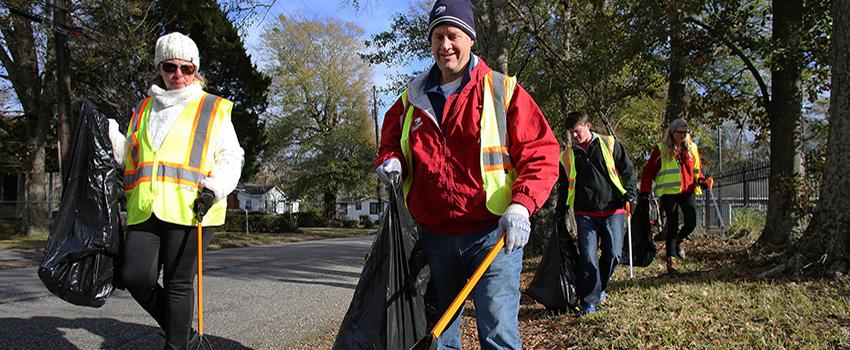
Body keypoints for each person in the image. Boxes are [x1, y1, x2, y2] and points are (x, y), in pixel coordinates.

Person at [374, 0, 560, 348]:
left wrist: (521, 205)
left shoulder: (502, 91)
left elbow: (541, 152)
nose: (445, 45)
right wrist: (390, 161)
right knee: (441, 338)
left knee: (498, 333)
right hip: (434, 239)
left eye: (453, 35)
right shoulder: (411, 98)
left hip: (492, 236)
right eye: (438, 36)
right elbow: (389, 142)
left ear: (470, 39)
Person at [106, 32, 244, 350]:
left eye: (186, 68)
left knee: (179, 283)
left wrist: (213, 190)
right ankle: (182, 333)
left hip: (194, 208)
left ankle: (177, 344)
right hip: (146, 208)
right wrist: (111, 136)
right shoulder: (143, 109)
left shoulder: (212, 109)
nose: (178, 75)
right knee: (135, 277)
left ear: (195, 70)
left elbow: (231, 157)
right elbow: (132, 155)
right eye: (170, 67)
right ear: (159, 68)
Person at [554, 111, 637, 315]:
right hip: (584, 213)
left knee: (614, 254)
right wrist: (561, 209)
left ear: (588, 126)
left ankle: (599, 286)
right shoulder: (566, 156)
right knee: (588, 257)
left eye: (578, 131)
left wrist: (631, 195)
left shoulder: (610, 144)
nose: (574, 136)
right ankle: (589, 301)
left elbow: (628, 171)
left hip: (613, 209)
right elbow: (564, 186)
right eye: (571, 133)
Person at [640, 118, 705, 274]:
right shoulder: (661, 148)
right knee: (673, 225)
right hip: (668, 192)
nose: (683, 135)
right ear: (672, 132)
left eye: (685, 132)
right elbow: (648, 172)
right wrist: (644, 192)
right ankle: (671, 260)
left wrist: (703, 180)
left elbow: (697, 170)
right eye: (679, 132)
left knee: (691, 223)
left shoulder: (692, 148)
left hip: (687, 190)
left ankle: (679, 241)